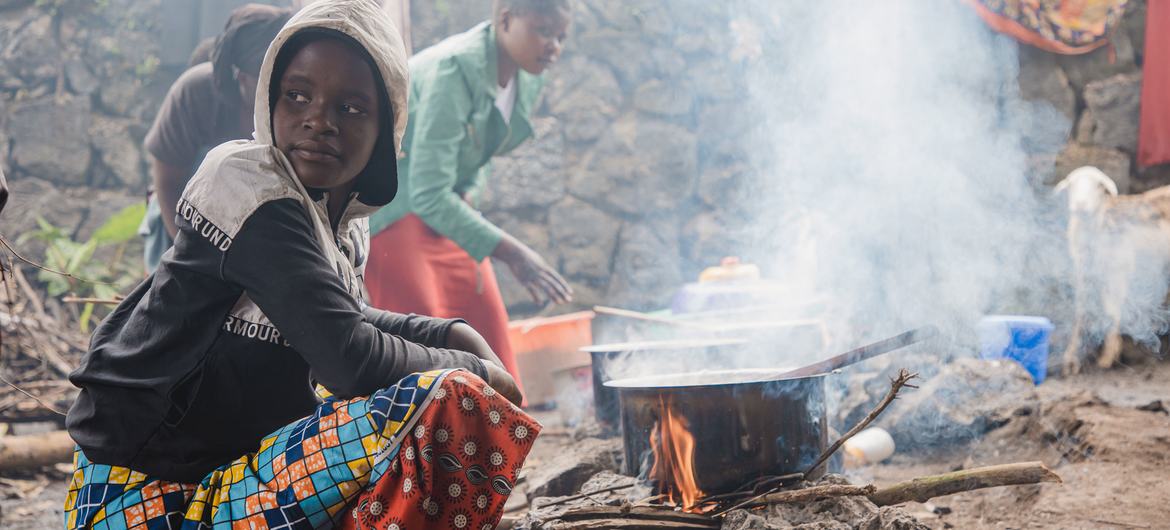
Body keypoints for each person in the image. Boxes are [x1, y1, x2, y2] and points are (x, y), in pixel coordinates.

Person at [64, 2, 537, 528]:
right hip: (141, 493)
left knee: (437, 388)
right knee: (446, 398)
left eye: (352, 108)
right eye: (297, 96)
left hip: (220, 472)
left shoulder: (341, 222)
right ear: (269, 100)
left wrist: (453, 333)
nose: (319, 120)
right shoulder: (247, 186)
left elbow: (345, 318)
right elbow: (349, 359)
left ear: (388, 128)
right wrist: (477, 369)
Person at [366, 0, 574, 397]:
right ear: (506, 19)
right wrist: (512, 251)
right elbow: (426, 192)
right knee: (423, 358)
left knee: (489, 335)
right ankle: (433, 454)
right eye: (543, 31)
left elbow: (483, 151)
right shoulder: (454, 69)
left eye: (561, 36)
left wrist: (468, 196)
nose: (554, 47)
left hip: (447, 207)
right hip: (398, 209)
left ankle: (503, 446)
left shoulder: (527, 76)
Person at [139, 4, 292, 273]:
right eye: (264, 80)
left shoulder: (296, 101)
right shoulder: (195, 93)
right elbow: (168, 184)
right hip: (182, 219)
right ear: (240, 76)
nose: (275, 90)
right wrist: (192, 257)